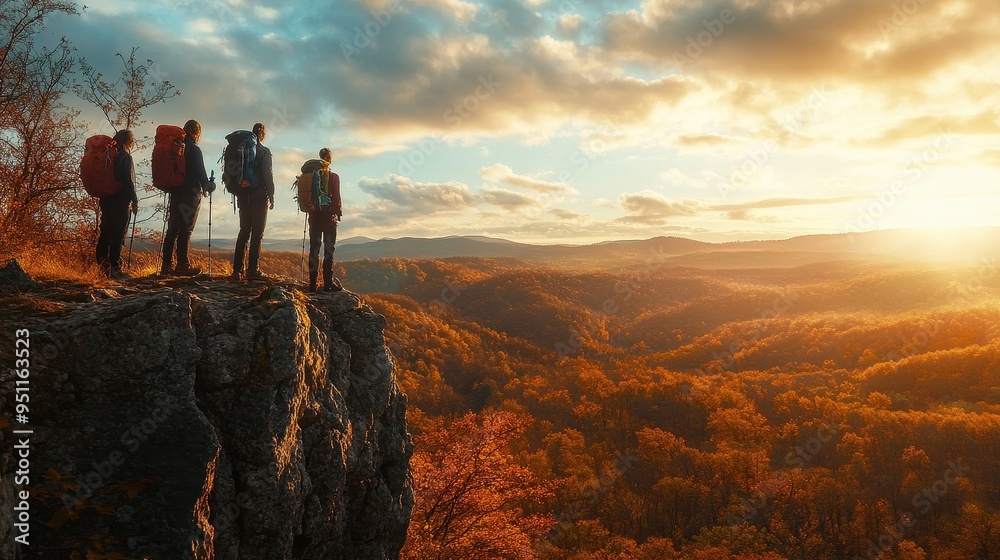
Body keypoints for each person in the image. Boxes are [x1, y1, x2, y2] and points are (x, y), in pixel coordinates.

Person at [161, 119, 213, 276]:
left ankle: (166, 265)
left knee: (172, 229)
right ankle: (183, 264)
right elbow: (200, 172)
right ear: (197, 132)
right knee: (186, 229)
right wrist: (208, 186)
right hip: (190, 194)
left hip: (176, 192)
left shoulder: (176, 148)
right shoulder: (194, 149)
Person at [232, 122, 274, 281]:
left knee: (244, 231)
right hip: (259, 196)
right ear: (262, 134)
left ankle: (237, 270)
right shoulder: (264, 151)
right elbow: (267, 174)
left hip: (243, 195)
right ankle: (253, 270)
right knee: (257, 233)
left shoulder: (241, 150)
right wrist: (271, 194)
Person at [96, 129, 138, 280]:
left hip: (106, 200)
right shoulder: (125, 156)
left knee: (106, 235)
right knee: (118, 236)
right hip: (121, 201)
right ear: (128, 142)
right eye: (132, 141)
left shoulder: (109, 156)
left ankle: (102, 269)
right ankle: (115, 269)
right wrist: (134, 199)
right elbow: (127, 180)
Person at [307, 148, 343, 292]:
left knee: (314, 249)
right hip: (329, 217)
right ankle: (328, 283)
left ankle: (312, 284)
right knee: (329, 250)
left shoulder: (311, 176)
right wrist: (338, 213)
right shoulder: (333, 176)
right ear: (330, 159)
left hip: (314, 216)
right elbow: (337, 197)